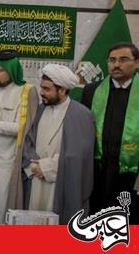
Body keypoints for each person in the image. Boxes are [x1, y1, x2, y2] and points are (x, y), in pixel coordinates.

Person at [23, 64, 95, 224]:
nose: (41, 92)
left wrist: (46, 167)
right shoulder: (39, 110)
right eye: (41, 87)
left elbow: (79, 155)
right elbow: (27, 141)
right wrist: (34, 166)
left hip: (61, 181)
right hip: (35, 177)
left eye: (47, 89)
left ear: (62, 90)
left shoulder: (81, 115)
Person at [0, 50, 39, 225]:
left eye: (0, 70)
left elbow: (23, 128)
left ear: (12, 71)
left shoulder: (27, 92)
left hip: (9, 158)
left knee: (3, 199)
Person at [81, 42, 139, 224]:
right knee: (97, 219)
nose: (116, 65)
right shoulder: (92, 91)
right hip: (97, 171)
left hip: (131, 173)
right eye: (112, 60)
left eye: (123, 60)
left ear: (137, 63)